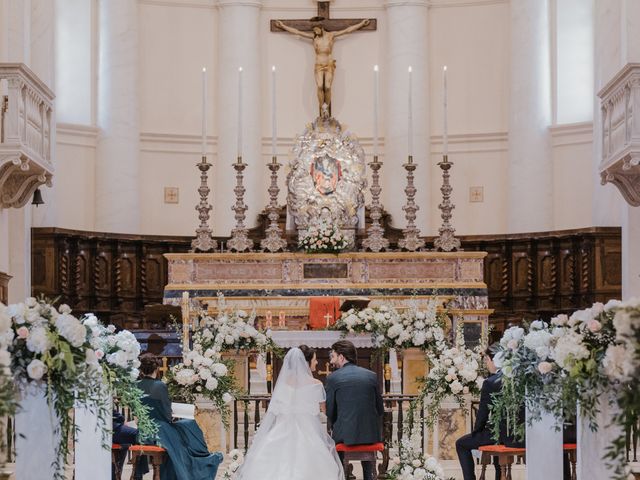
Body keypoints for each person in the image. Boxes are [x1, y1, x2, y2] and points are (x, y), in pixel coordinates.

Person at [234, 345, 343, 479]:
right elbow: (325, 410)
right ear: (306, 363)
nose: (316, 362)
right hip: (307, 430)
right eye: (314, 360)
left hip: (282, 427)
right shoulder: (316, 385)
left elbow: (275, 409)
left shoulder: (282, 385)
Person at [137, 353, 223, 480]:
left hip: (143, 430)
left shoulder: (136, 385)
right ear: (156, 369)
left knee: (185, 427)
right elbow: (167, 415)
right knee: (188, 425)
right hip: (160, 430)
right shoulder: (160, 386)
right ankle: (201, 459)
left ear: (141, 370)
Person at [455, 347, 525, 480]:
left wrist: (476, 432)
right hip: (521, 436)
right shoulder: (519, 378)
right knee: (494, 435)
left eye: (487, 360)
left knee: (461, 444)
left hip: (501, 437)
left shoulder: (491, 382)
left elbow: (482, 415)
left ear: (494, 360)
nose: (487, 364)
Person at [274, 18, 370, 114]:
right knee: (320, 86)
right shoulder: (314, 37)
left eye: (316, 29)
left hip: (329, 65)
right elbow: (297, 32)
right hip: (318, 65)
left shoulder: (331, 35)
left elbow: (347, 30)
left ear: (321, 28)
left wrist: (361, 24)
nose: (315, 32)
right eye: (314, 30)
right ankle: (322, 109)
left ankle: (326, 107)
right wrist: (282, 26)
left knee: (327, 87)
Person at [325, 340, 384, 480]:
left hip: (345, 436)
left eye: (333, 356)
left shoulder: (333, 378)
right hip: (370, 435)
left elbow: (330, 411)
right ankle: (368, 475)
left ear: (341, 357)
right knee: (364, 441)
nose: (332, 361)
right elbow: (379, 408)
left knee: (337, 437)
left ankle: (341, 475)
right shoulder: (371, 376)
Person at [112, 408, 148, 480]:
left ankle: (136, 474)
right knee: (138, 436)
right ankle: (137, 475)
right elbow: (121, 418)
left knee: (131, 440)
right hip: (113, 429)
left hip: (112, 430)